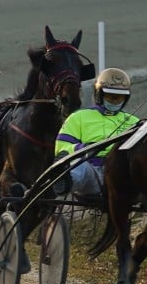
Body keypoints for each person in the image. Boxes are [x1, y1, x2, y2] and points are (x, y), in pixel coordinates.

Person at [54, 67, 140, 198]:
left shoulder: (135, 122)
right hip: (93, 171)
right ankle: (63, 180)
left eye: (119, 98)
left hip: (125, 174)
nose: (115, 101)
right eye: (111, 97)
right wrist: (84, 148)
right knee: (80, 167)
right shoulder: (79, 117)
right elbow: (61, 149)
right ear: (99, 94)